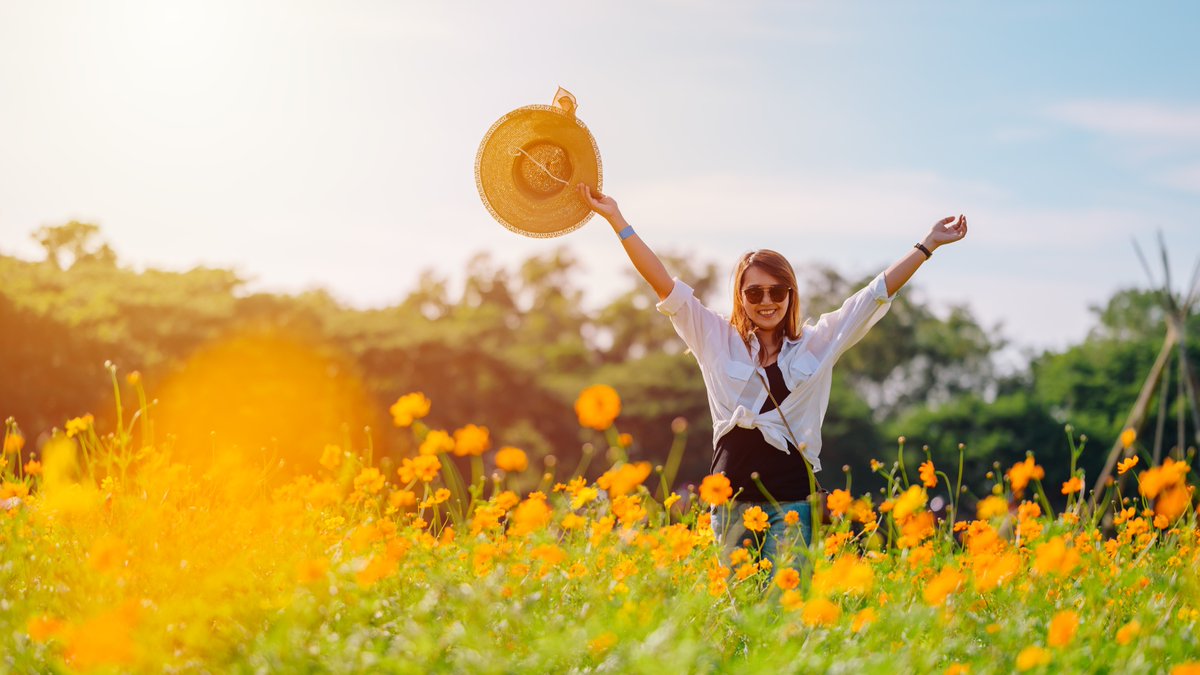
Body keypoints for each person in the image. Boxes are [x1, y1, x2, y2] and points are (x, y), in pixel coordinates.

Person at [576, 182, 968, 567]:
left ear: (791, 296)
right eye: (755, 292)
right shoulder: (714, 337)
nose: (767, 301)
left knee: (787, 616)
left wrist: (927, 245)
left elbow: (873, 296)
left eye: (777, 292)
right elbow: (663, 284)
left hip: (795, 503)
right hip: (730, 504)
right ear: (740, 297)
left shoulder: (818, 343)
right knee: (738, 614)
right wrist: (617, 219)